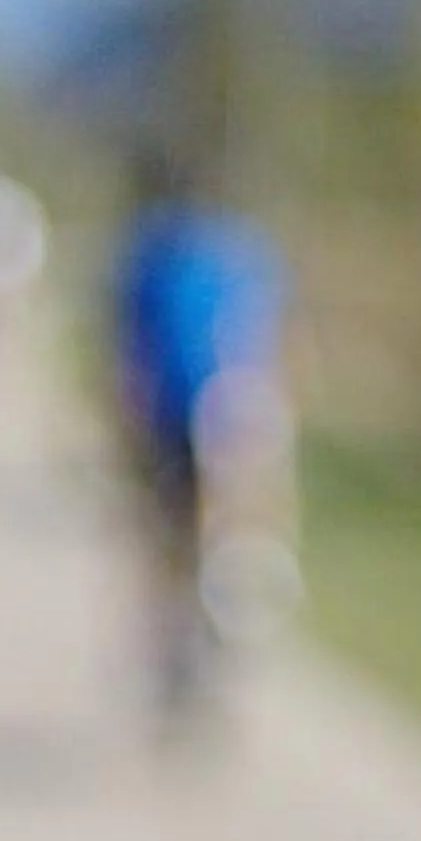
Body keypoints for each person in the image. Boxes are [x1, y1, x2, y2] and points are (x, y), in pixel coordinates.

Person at [109, 150, 295, 740]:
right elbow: (275, 341)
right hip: (235, 411)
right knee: (234, 526)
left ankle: (186, 640)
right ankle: (221, 627)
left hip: (179, 414)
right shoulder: (246, 251)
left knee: (171, 538)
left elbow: (128, 356)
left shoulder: (150, 254)